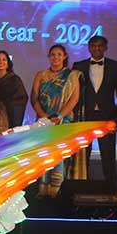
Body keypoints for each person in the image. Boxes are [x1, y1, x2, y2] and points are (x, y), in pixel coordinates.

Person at [30, 44, 82, 197]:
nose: (56, 57)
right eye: (53, 54)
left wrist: (59, 116)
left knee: (58, 155)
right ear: (48, 57)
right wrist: (45, 117)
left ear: (64, 57)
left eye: (59, 54)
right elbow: (34, 98)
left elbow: (74, 99)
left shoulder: (72, 76)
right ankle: (43, 188)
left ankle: (56, 190)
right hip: (44, 120)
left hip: (62, 121)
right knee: (44, 154)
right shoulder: (41, 75)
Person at [72, 36, 117, 185]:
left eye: (100, 45)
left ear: (106, 48)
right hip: (84, 116)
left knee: (108, 155)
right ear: (89, 47)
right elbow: (73, 93)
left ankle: (111, 188)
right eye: (93, 45)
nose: (97, 48)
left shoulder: (116, 66)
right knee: (82, 156)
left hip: (107, 116)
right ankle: (81, 188)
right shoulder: (78, 66)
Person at [0, 51, 29, 138]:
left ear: (8, 63)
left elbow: (21, 98)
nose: (1, 62)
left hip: (7, 116)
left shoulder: (14, 80)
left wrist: (5, 105)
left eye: (4, 60)